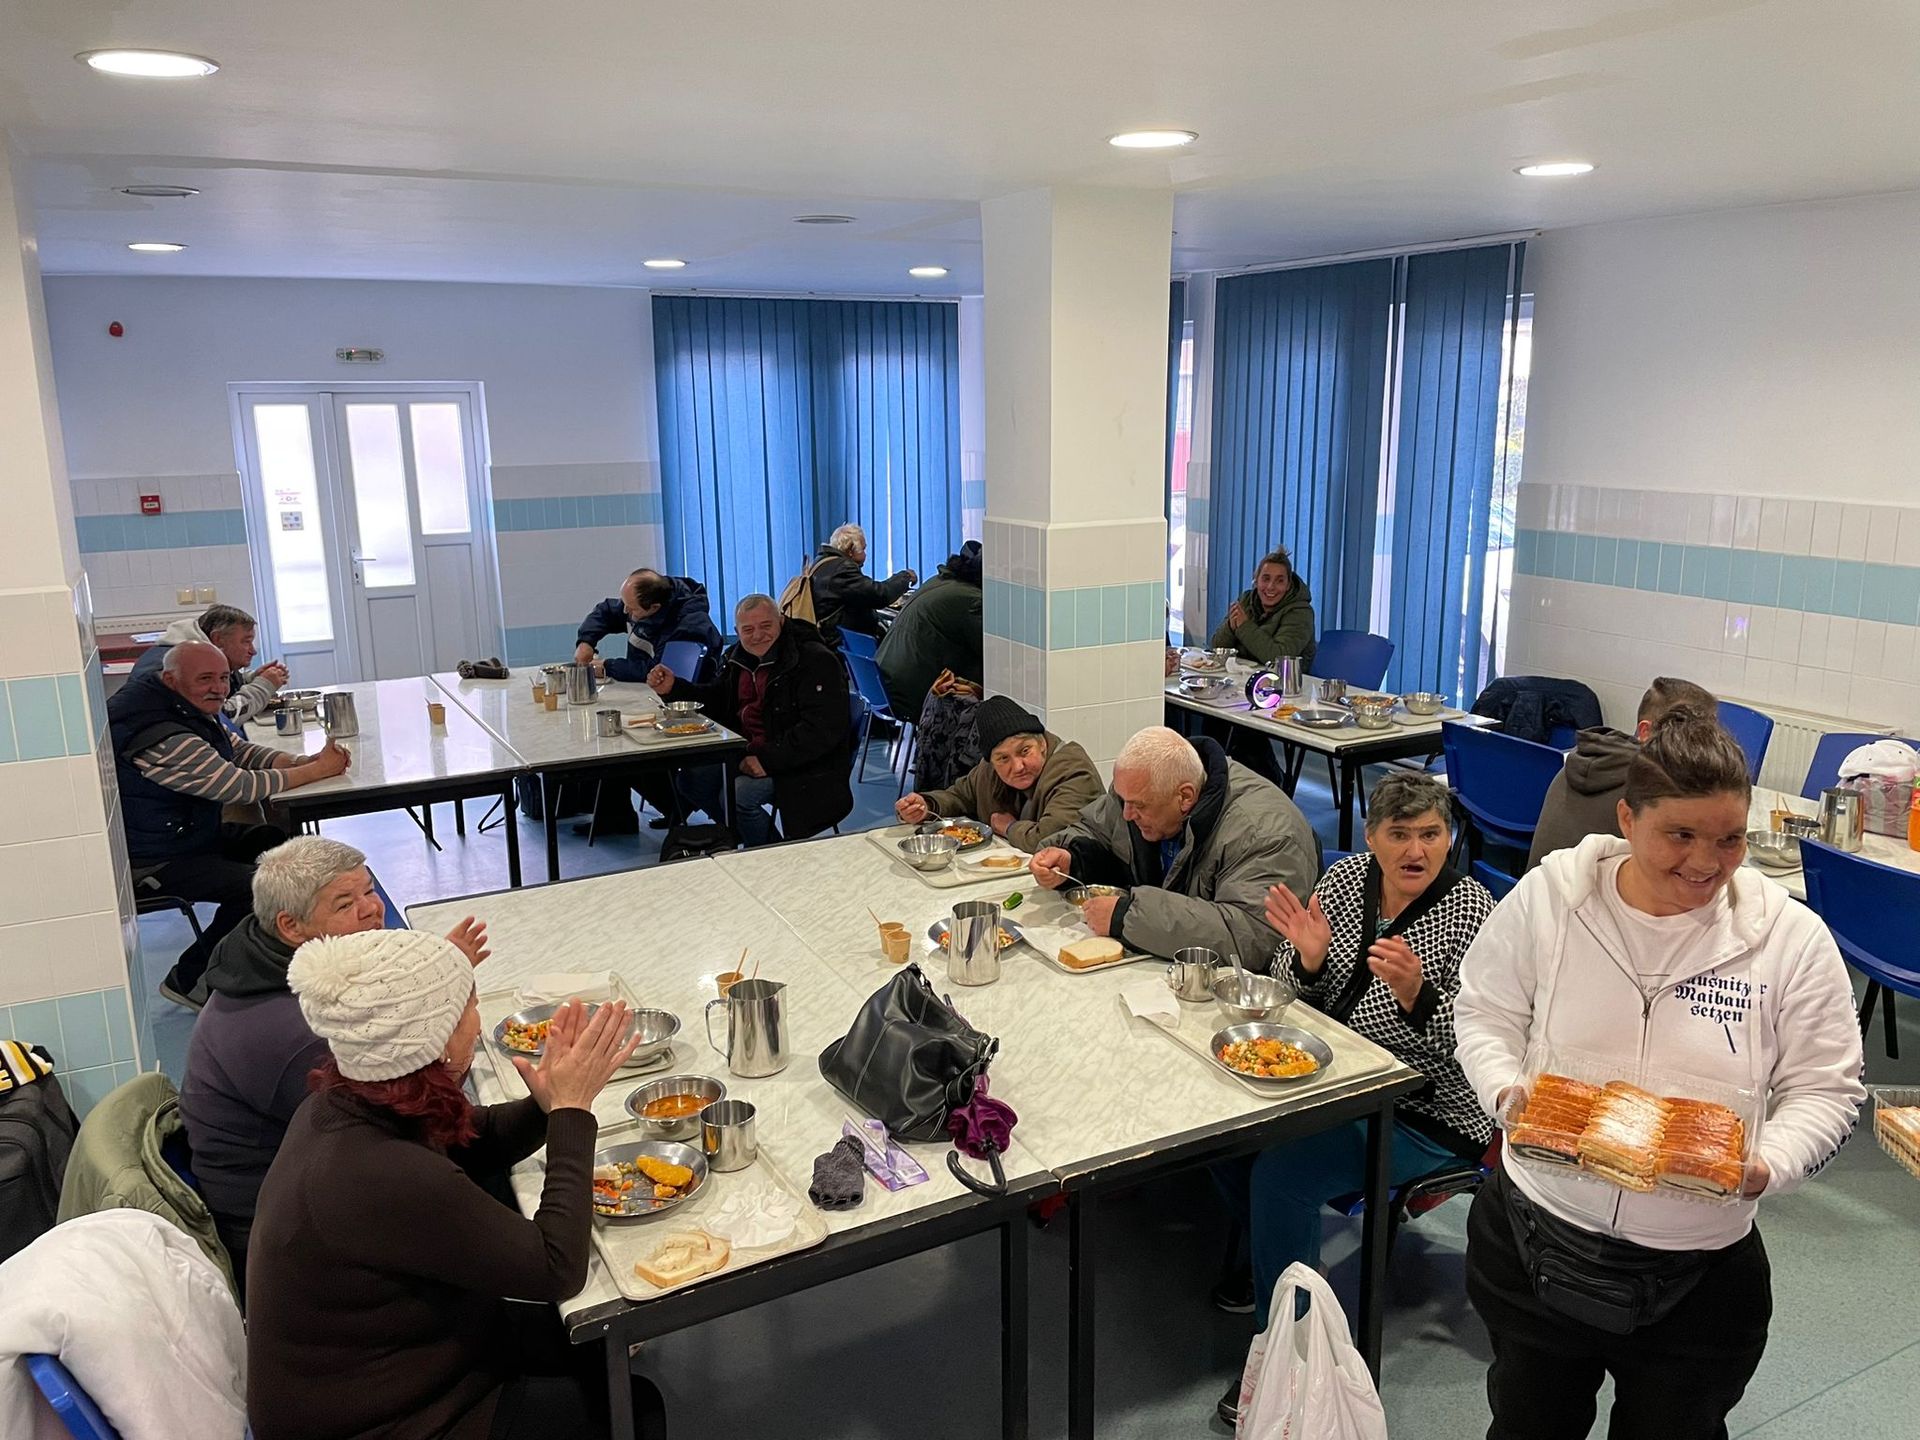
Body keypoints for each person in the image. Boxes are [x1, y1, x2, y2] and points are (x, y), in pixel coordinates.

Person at [1454, 708, 1866, 1440]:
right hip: (1534, 1235)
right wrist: (1506, 1090)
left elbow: (1826, 1088)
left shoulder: (1790, 940)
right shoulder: (1553, 899)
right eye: (1680, 835)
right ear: (1627, 818)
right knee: (1528, 1424)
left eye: (1730, 838)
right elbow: (1485, 1011)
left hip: (1699, 1272)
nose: (1707, 862)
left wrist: (1768, 1164)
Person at [247, 929, 640, 1439]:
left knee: (594, 1351)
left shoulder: (345, 1103)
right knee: (633, 1408)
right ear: (436, 1039)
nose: (477, 1025)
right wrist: (570, 1111)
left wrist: (545, 1104)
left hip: (409, 1359)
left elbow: (470, 1139)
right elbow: (556, 1269)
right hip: (390, 1420)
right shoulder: (377, 1173)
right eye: (470, 1007)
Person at [1211, 772, 1495, 1425]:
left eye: (1432, 834)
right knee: (1225, 1138)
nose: (1417, 850)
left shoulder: (1472, 911)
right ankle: (1279, 1270)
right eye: (1400, 834)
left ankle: (1289, 1359)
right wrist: (1309, 962)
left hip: (1430, 1108)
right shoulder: (1343, 881)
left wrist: (1419, 996)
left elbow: (1486, 1041)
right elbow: (1286, 984)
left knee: (1283, 1176)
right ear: (1371, 837)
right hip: (1337, 1083)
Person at [179, 837, 490, 1293]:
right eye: (345, 904)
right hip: (285, 1236)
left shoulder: (264, 959)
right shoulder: (295, 1029)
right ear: (291, 925)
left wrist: (430, 978)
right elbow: (410, 1126)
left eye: (370, 890)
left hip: (318, 1179)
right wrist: (457, 1056)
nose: (372, 910)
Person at [108, 642, 350, 1007]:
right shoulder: (160, 733)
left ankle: (276, 955)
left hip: (185, 835)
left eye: (223, 678)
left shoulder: (178, 706)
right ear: (171, 680)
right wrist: (316, 771)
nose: (219, 688)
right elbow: (238, 786)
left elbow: (236, 750)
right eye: (206, 678)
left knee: (272, 841)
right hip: (154, 859)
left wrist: (301, 761)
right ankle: (190, 979)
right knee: (260, 889)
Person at [1029, 726, 1318, 960]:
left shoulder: (1265, 833)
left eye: (1138, 805)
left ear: (1185, 797)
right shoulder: (1143, 790)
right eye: (1123, 800)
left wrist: (1127, 917)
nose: (1127, 814)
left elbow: (1252, 936)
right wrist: (1071, 858)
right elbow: (1094, 828)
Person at [649, 595, 853, 845]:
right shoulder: (737, 657)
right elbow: (718, 700)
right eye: (748, 630)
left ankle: (771, 857)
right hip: (748, 750)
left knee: (740, 795)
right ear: (737, 632)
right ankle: (745, 837)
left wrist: (767, 759)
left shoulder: (814, 659)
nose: (757, 635)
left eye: (766, 626)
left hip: (807, 764)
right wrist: (675, 689)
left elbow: (821, 730)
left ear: (781, 621)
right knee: (692, 781)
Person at [1527, 675, 1717, 871]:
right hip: (1570, 889)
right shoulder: (1655, 787)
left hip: (1536, 886)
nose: (1701, 748)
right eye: (1689, 735)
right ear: (1645, 732)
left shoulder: (1581, 757)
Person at [896, 696, 1104, 853]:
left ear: (1042, 743)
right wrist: (926, 806)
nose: (1018, 766)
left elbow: (1051, 839)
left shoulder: (1073, 771)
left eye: (1025, 751)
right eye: (1003, 758)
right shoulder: (988, 769)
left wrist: (1009, 828)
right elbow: (960, 795)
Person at [876, 541, 982, 722]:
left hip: (884, 682)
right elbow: (989, 651)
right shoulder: (971, 599)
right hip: (910, 693)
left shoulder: (938, 581)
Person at [129, 603, 288, 724]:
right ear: (218, 639)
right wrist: (263, 686)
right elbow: (222, 717)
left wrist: (251, 679)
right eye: (246, 642)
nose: (253, 651)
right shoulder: (179, 664)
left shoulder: (189, 652)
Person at [573, 568, 722, 682]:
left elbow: (659, 671)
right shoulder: (641, 603)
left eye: (632, 609)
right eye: (624, 603)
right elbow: (606, 612)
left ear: (654, 607)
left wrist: (608, 666)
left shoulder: (690, 627)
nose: (625, 611)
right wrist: (586, 642)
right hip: (646, 690)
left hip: (687, 701)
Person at [1209, 547, 1317, 671]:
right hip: (1243, 677)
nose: (1271, 587)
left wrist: (1244, 626)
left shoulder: (1301, 613)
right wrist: (1230, 627)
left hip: (1285, 681)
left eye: (1279, 581)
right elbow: (1217, 649)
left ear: (1288, 585)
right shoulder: (1246, 600)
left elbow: (1278, 659)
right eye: (1266, 579)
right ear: (1256, 581)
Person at [805, 522, 915, 644]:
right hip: (840, 640)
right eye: (863, 549)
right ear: (850, 551)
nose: (865, 555)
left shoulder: (822, 562)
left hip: (825, 636)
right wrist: (905, 577)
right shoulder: (842, 569)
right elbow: (880, 595)